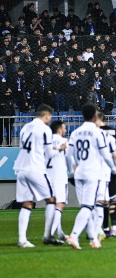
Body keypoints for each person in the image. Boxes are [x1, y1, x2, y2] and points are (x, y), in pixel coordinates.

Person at [65, 103, 116, 250]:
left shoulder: (75, 132)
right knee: (88, 206)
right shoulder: (98, 133)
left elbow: (68, 155)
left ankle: (93, 240)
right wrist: (113, 169)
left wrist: (71, 170)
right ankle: (74, 234)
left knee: (88, 207)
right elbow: (105, 154)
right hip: (93, 173)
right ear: (94, 116)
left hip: (79, 174)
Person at [13, 104, 61, 247]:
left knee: (27, 203)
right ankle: (47, 235)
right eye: (49, 117)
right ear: (46, 116)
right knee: (51, 200)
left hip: (21, 168)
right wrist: (60, 148)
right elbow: (50, 153)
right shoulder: (45, 129)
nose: (49, 120)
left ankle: (22, 240)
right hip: (35, 169)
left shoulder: (25, 128)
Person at [47, 120, 69, 242]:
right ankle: (49, 234)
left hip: (48, 176)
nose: (65, 131)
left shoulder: (47, 141)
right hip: (59, 176)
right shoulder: (64, 141)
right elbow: (69, 158)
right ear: (59, 130)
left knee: (53, 204)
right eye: (64, 129)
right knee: (60, 204)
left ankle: (59, 233)